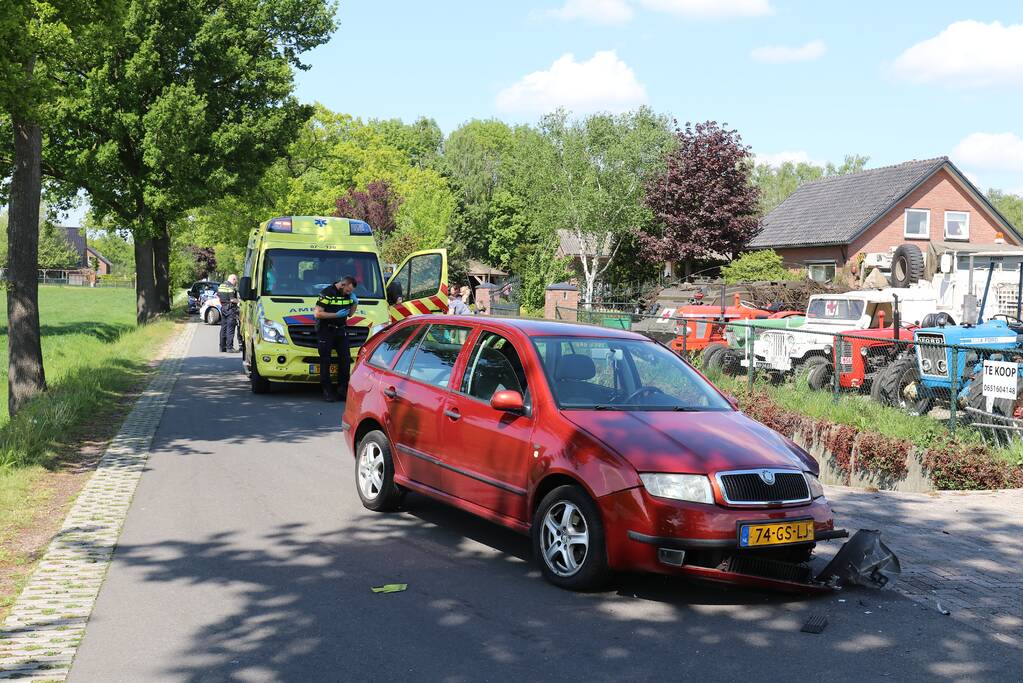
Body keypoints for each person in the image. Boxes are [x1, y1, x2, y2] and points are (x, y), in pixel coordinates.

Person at [314, 275, 359, 402]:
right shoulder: (327, 293)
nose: (349, 293)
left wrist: (354, 303)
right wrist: (335, 315)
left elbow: (350, 314)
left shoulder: (347, 295)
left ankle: (342, 390)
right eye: (348, 290)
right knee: (325, 360)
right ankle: (327, 391)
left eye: (351, 291)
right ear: (342, 285)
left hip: (341, 329)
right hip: (326, 330)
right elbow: (317, 313)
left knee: (345, 359)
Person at [217, 274, 241, 353]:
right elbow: (232, 299)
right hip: (231, 309)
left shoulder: (221, 286)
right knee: (230, 328)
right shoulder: (230, 287)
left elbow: (218, 297)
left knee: (223, 328)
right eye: (236, 281)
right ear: (233, 279)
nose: (236, 282)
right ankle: (229, 347)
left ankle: (222, 347)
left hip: (223, 308)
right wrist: (240, 301)